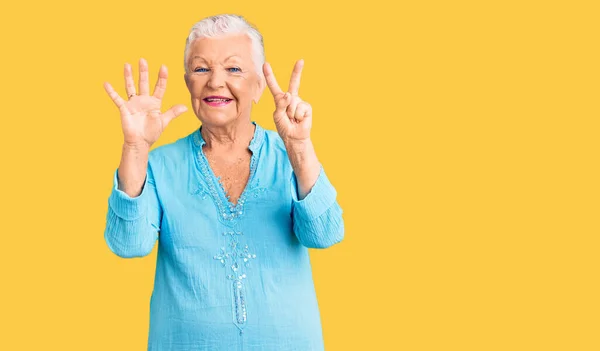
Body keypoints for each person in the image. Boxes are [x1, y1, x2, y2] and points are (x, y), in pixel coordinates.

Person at [103, 14, 344, 351]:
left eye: (233, 69)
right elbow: (129, 245)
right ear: (188, 83)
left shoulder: (289, 154)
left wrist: (300, 147)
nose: (215, 82)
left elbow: (325, 234)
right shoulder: (158, 165)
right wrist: (135, 148)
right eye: (201, 69)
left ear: (258, 84)